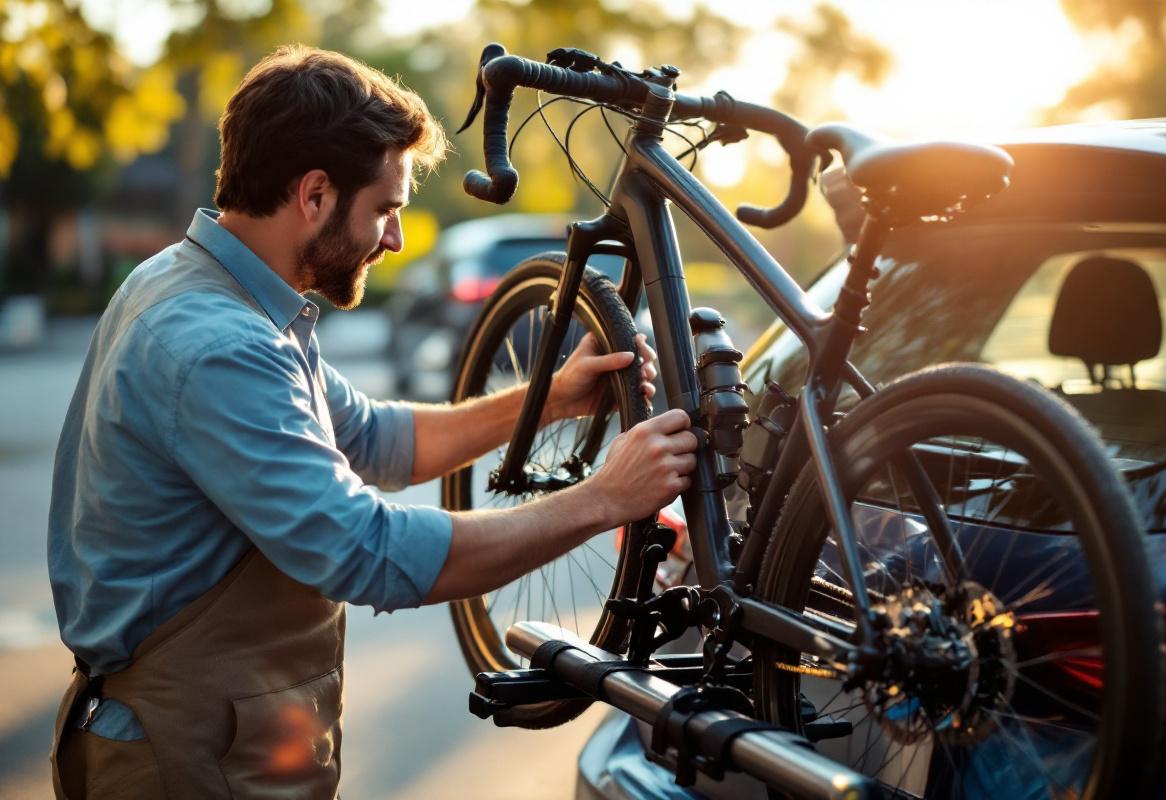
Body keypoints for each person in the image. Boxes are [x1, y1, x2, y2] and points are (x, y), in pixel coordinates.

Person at [47, 44, 697, 798]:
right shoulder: (219, 345)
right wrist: (604, 499)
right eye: (386, 209)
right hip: (181, 759)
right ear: (314, 194)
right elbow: (367, 551)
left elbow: (373, 439)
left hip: (213, 738)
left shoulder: (213, 289)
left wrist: (547, 397)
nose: (395, 239)